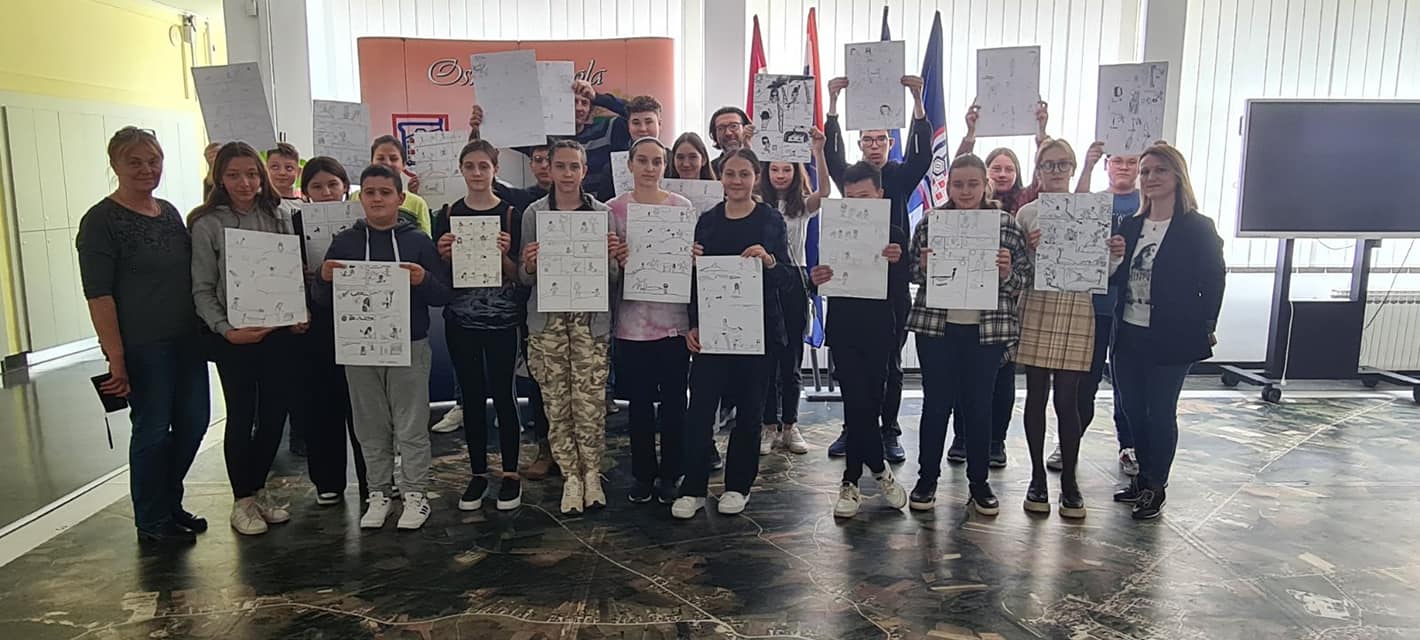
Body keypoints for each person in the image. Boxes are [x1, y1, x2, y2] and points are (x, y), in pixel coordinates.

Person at [77, 127, 210, 546]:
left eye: (153, 161)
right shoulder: (101, 221)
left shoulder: (168, 212)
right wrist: (115, 356)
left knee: (193, 422)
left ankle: (170, 501)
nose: (146, 169)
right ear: (115, 165)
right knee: (152, 430)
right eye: (134, 162)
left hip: (186, 339)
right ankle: (152, 519)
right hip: (143, 346)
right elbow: (98, 295)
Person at [317, 164, 453, 530]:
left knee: (411, 426)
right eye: (370, 193)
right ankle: (378, 493)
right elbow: (322, 299)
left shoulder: (417, 241)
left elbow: (442, 294)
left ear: (399, 197)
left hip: (409, 345)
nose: (377, 199)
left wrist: (424, 279)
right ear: (360, 197)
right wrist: (323, 278)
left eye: (385, 192)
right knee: (370, 427)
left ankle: (415, 494)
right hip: (359, 348)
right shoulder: (345, 242)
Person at [673, 147, 794, 520]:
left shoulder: (771, 220)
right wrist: (692, 324)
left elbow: (789, 279)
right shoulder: (707, 221)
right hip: (712, 333)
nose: (737, 181)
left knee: (750, 412)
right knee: (700, 411)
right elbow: (694, 281)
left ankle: (738, 486)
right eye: (730, 174)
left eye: (744, 174)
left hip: (758, 334)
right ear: (721, 177)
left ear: (756, 177)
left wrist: (769, 261)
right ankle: (693, 488)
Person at [906, 154, 1030, 515]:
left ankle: (979, 482)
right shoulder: (932, 222)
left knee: (979, 406)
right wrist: (923, 266)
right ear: (948, 186)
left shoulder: (1006, 225)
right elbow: (911, 273)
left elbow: (1024, 279)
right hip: (937, 329)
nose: (965, 191)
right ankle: (926, 479)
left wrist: (1006, 272)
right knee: (936, 405)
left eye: (973, 184)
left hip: (987, 331)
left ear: (985, 185)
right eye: (957, 184)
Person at [188, 141, 301, 536]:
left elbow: (291, 271)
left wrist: (296, 314)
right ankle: (242, 500)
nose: (245, 183)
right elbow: (202, 288)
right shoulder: (206, 224)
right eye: (234, 175)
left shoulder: (279, 215)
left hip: (276, 335)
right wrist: (226, 330)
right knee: (241, 417)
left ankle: (258, 489)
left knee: (274, 416)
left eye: (252, 174)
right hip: (234, 339)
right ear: (220, 177)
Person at [1109, 143, 1225, 520]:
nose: (1150, 178)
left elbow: (1214, 280)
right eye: (1145, 172)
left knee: (1159, 411)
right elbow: (1116, 278)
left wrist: (1206, 325)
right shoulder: (1131, 226)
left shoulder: (1198, 227)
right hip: (1129, 333)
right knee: (1132, 410)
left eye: (1159, 170)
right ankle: (1141, 478)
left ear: (1177, 176)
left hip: (1173, 337)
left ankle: (1156, 485)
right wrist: (1112, 258)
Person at [822, 74, 931, 464]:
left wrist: (917, 101)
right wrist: (833, 105)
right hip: (852, 284)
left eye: (880, 139)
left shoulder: (899, 175)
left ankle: (888, 431)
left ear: (890, 143)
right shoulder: (851, 178)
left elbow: (924, 157)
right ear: (860, 144)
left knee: (891, 365)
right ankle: (853, 428)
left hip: (892, 285)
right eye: (867, 139)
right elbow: (832, 157)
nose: (873, 145)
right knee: (851, 366)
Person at [517, 140, 624, 515]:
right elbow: (523, 277)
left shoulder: (602, 214)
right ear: (549, 169)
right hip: (547, 324)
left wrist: (611, 258)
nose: (566, 174)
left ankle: (591, 474)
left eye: (573, 166)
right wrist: (530, 264)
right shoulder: (534, 214)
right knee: (556, 405)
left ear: (584, 171)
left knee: (590, 405)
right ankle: (570, 477)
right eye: (559, 166)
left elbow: (613, 278)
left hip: (589, 324)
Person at [806, 161, 910, 518]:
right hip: (844, 328)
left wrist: (897, 262)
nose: (857, 204)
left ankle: (869, 472)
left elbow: (903, 285)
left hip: (881, 329)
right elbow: (819, 278)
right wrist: (816, 278)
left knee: (871, 402)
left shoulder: (895, 233)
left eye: (864, 197)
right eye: (850, 197)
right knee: (855, 401)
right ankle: (861, 477)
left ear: (880, 194)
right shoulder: (833, 228)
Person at [432, 140, 525, 512]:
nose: (476, 173)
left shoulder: (511, 214)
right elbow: (440, 276)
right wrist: (443, 255)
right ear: (461, 169)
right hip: (461, 321)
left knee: (503, 394)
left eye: (483, 166)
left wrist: (503, 257)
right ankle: (477, 474)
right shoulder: (447, 214)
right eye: (469, 166)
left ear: (495, 170)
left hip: (503, 321)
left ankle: (511, 474)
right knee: (470, 397)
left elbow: (520, 275)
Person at [1014, 139, 1098, 519]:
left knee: (1068, 399)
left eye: (1063, 164)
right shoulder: (1027, 212)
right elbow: (1017, 271)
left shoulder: (1092, 210)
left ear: (1073, 167)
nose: (1056, 170)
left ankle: (1070, 481)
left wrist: (1111, 255)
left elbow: (1104, 271)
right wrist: (1030, 251)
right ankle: (1036, 478)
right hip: (1037, 303)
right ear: (1038, 171)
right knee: (1036, 395)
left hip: (1077, 304)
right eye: (1048, 165)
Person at [608, 137, 694, 505]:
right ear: (629, 164)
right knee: (639, 406)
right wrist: (614, 257)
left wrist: (692, 256)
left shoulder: (682, 207)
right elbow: (606, 272)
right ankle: (643, 475)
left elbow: (691, 267)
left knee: (674, 403)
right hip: (631, 324)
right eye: (642, 160)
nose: (649, 168)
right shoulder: (613, 209)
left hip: (673, 323)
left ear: (665, 165)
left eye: (657, 161)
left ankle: (672, 472)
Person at [290, 157, 369, 505]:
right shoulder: (293, 223)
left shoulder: (363, 220)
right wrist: (300, 272)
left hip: (359, 318)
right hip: (314, 324)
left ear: (345, 187)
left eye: (333, 185)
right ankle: (327, 481)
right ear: (306, 191)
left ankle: (373, 480)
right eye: (317, 186)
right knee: (321, 403)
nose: (326, 192)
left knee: (363, 405)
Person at [1067, 142, 1141, 476]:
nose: (1124, 167)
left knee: (1127, 381)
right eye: (1118, 161)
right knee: (1087, 380)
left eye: (1131, 162)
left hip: (1132, 306)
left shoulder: (1146, 203)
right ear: (1108, 165)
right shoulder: (1094, 200)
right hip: (1094, 304)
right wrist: (1087, 165)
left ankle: (1129, 445)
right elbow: (1073, 210)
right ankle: (1070, 441)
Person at [758, 129, 829, 456]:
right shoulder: (758, 204)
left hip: (795, 281)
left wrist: (819, 151)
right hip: (763, 280)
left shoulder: (802, 205)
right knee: (766, 359)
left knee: (791, 360)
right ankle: (769, 426)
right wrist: (747, 144)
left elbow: (824, 191)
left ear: (795, 171)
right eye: (774, 169)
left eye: (787, 169)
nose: (781, 174)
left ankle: (790, 425)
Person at [355, 135, 433, 235]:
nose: (387, 163)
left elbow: (425, 239)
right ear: (371, 162)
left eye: (393, 158)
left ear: (403, 164)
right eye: (380, 158)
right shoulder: (355, 197)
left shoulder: (417, 203)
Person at [596, 95, 664, 201]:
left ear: (659, 124)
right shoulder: (612, 167)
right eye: (636, 123)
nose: (642, 128)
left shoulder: (675, 160)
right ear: (628, 126)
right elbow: (604, 206)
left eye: (648, 122)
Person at [571, 80, 633, 194]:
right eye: (573, 102)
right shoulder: (552, 139)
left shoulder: (606, 130)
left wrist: (597, 97)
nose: (579, 108)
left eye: (584, 103)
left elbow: (635, 111)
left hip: (602, 201)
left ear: (590, 109)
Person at [707, 106, 753, 175]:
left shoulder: (765, 166)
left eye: (734, 126)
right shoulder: (710, 170)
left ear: (746, 128)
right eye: (721, 128)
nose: (728, 133)